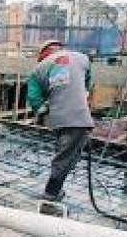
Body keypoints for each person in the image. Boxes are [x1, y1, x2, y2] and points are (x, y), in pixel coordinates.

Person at [27, 39, 94, 201]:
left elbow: (34, 98)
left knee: (65, 154)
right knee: (66, 155)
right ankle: (51, 193)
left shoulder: (38, 69)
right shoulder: (82, 58)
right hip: (79, 117)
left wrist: (43, 113)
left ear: (43, 54)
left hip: (59, 119)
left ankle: (51, 192)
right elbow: (88, 85)